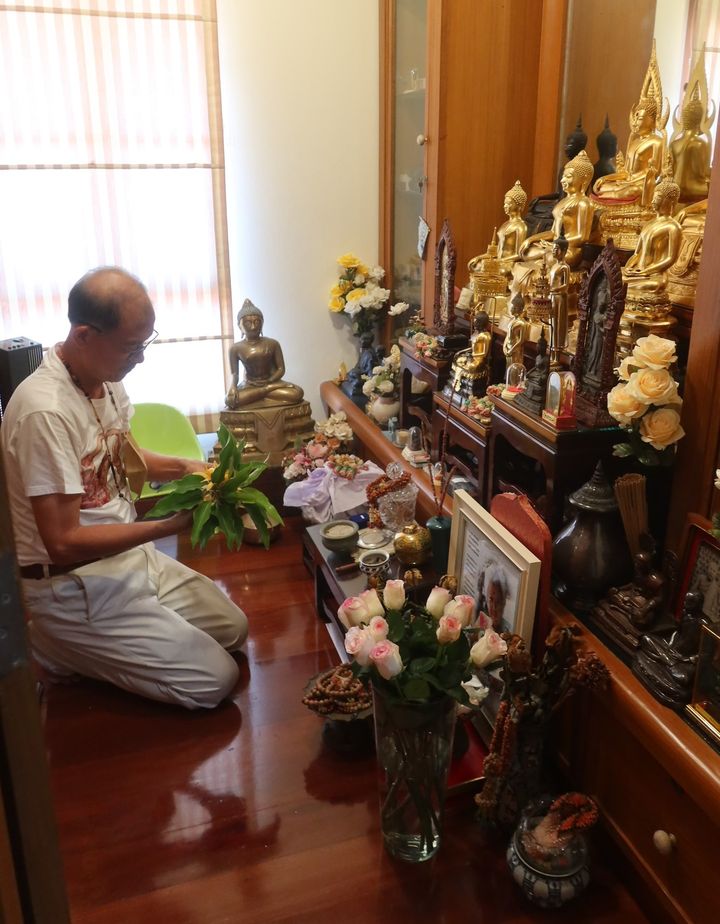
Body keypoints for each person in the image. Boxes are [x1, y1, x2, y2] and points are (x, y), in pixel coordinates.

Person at [1, 267, 248, 709]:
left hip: (129, 560)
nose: (140, 359)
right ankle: (55, 644)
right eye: (132, 347)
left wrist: (191, 467)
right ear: (83, 335)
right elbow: (62, 542)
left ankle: (113, 637)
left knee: (233, 629)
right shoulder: (45, 412)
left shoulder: (106, 381)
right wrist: (169, 525)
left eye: (145, 343)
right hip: (74, 585)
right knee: (214, 680)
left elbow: (124, 456)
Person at [225, 299, 304, 409]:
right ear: (240, 326)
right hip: (249, 385)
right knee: (230, 400)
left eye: (257, 322)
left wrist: (269, 381)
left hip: (271, 382)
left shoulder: (272, 343)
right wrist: (232, 387)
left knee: (297, 393)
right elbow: (235, 374)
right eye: (247, 323)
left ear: (262, 324)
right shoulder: (235, 348)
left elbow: (281, 369)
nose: (253, 327)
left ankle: (261, 394)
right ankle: (265, 392)